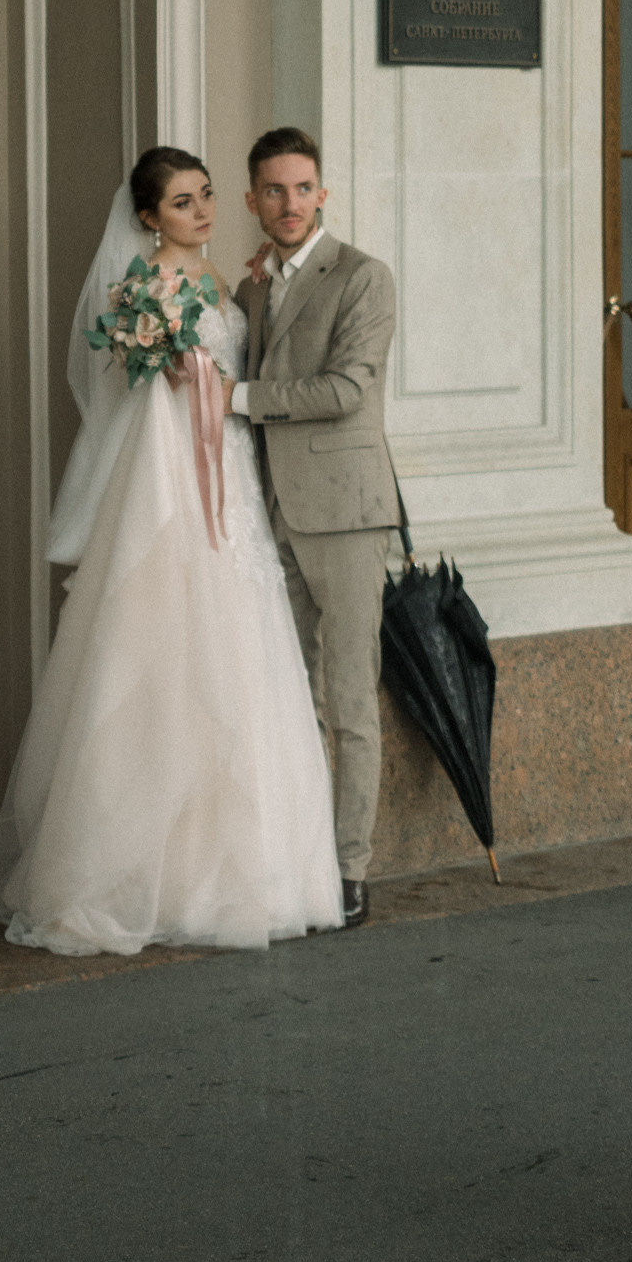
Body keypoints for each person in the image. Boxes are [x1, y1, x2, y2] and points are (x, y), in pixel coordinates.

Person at [0, 147, 344, 957]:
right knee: (164, 654)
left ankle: (248, 869)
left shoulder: (227, 281)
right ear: (149, 218)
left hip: (234, 485)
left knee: (243, 657)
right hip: (174, 482)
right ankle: (144, 870)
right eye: (183, 203)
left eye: (208, 195)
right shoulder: (143, 292)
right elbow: (147, 403)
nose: (203, 211)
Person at [222, 127, 401, 929]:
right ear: (254, 198)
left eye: (302, 189)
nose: (289, 204)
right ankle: (292, 862)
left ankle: (350, 872)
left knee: (348, 700)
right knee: (286, 700)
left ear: (322, 192)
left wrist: (242, 399)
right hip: (273, 519)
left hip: (347, 515)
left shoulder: (364, 277)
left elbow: (345, 390)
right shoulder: (255, 287)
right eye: (273, 191)